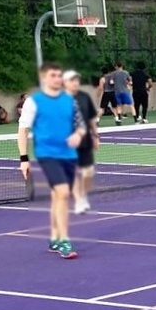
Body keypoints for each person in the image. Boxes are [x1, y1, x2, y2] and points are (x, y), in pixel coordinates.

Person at [17, 62, 87, 259]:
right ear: (44, 78)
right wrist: (24, 158)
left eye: (59, 75)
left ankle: (55, 238)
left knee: (59, 196)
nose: (57, 79)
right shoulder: (33, 102)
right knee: (64, 192)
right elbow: (23, 131)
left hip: (68, 155)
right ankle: (64, 240)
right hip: (47, 155)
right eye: (53, 75)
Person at [63, 70, 100, 214]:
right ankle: (78, 200)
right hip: (67, 142)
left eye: (77, 80)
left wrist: (96, 136)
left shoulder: (84, 97)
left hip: (85, 141)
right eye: (72, 80)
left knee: (88, 172)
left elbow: (91, 118)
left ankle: (83, 194)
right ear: (65, 83)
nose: (76, 83)